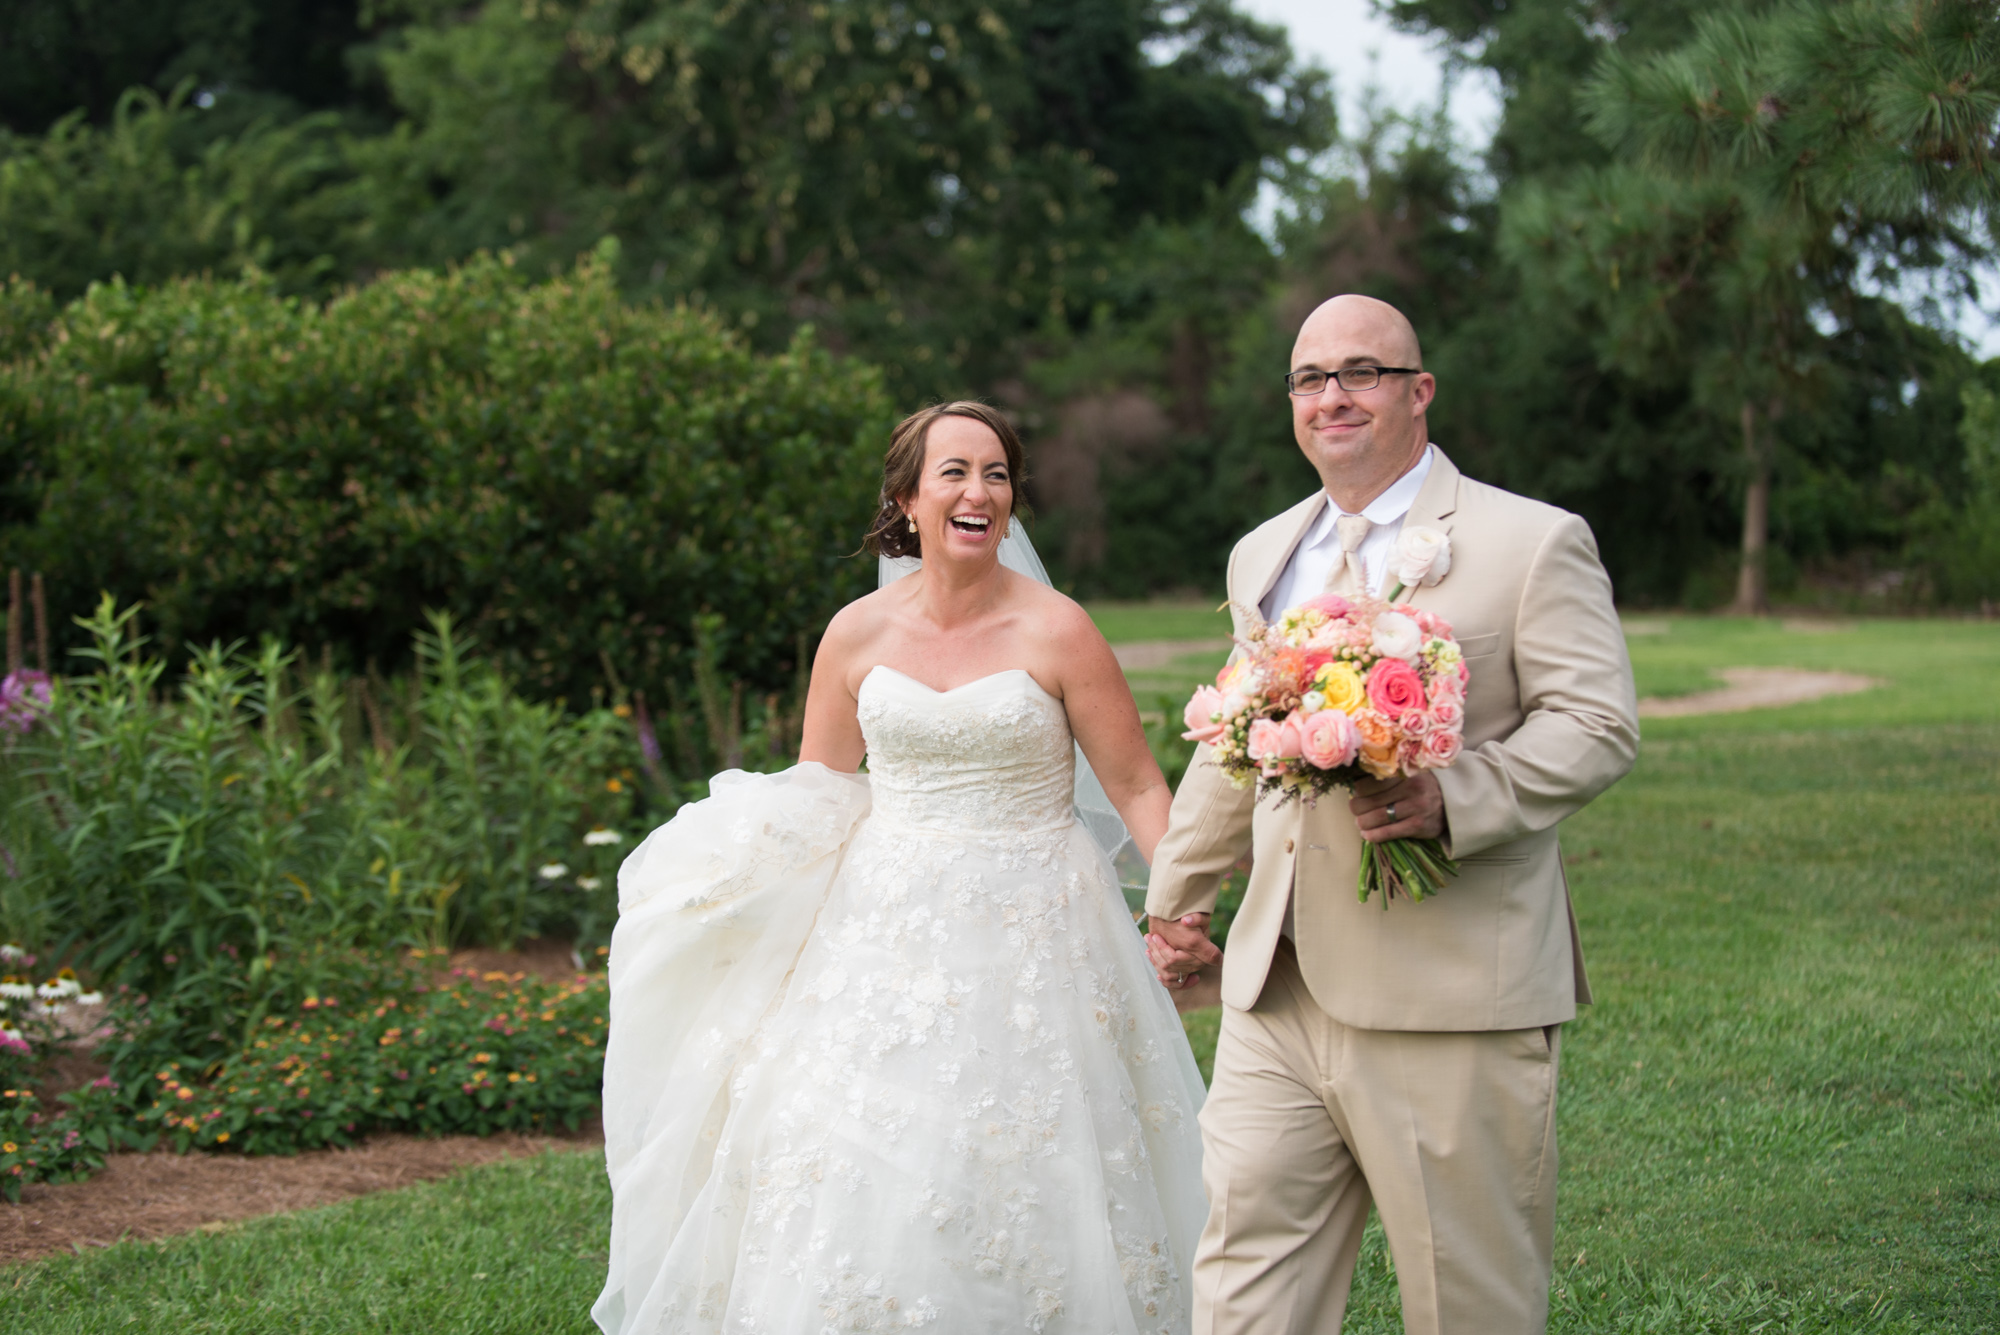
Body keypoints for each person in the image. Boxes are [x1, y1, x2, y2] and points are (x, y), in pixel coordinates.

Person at [594, 401, 1208, 1335]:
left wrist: (1182, 903)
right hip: (884, 926)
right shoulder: (855, 634)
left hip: (1037, 923)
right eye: (954, 471)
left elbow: (1137, 787)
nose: (979, 490)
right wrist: (720, 886)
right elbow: (820, 792)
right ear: (906, 499)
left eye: (997, 473)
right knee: (856, 1148)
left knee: (1030, 1159)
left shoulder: (1059, 629)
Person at [1144, 295, 1638, 1335]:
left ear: (1417, 392)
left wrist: (1449, 797)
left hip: (1447, 991)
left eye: (1360, 372)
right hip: (1273, 990)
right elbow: (1231, 742)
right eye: (1309, 378)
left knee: (1466, 1304)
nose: (1332, 395)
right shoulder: (1263, 554)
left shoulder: (1530, 541)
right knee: (1239, 1286)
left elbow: (1594, 724)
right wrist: (1178, 899)